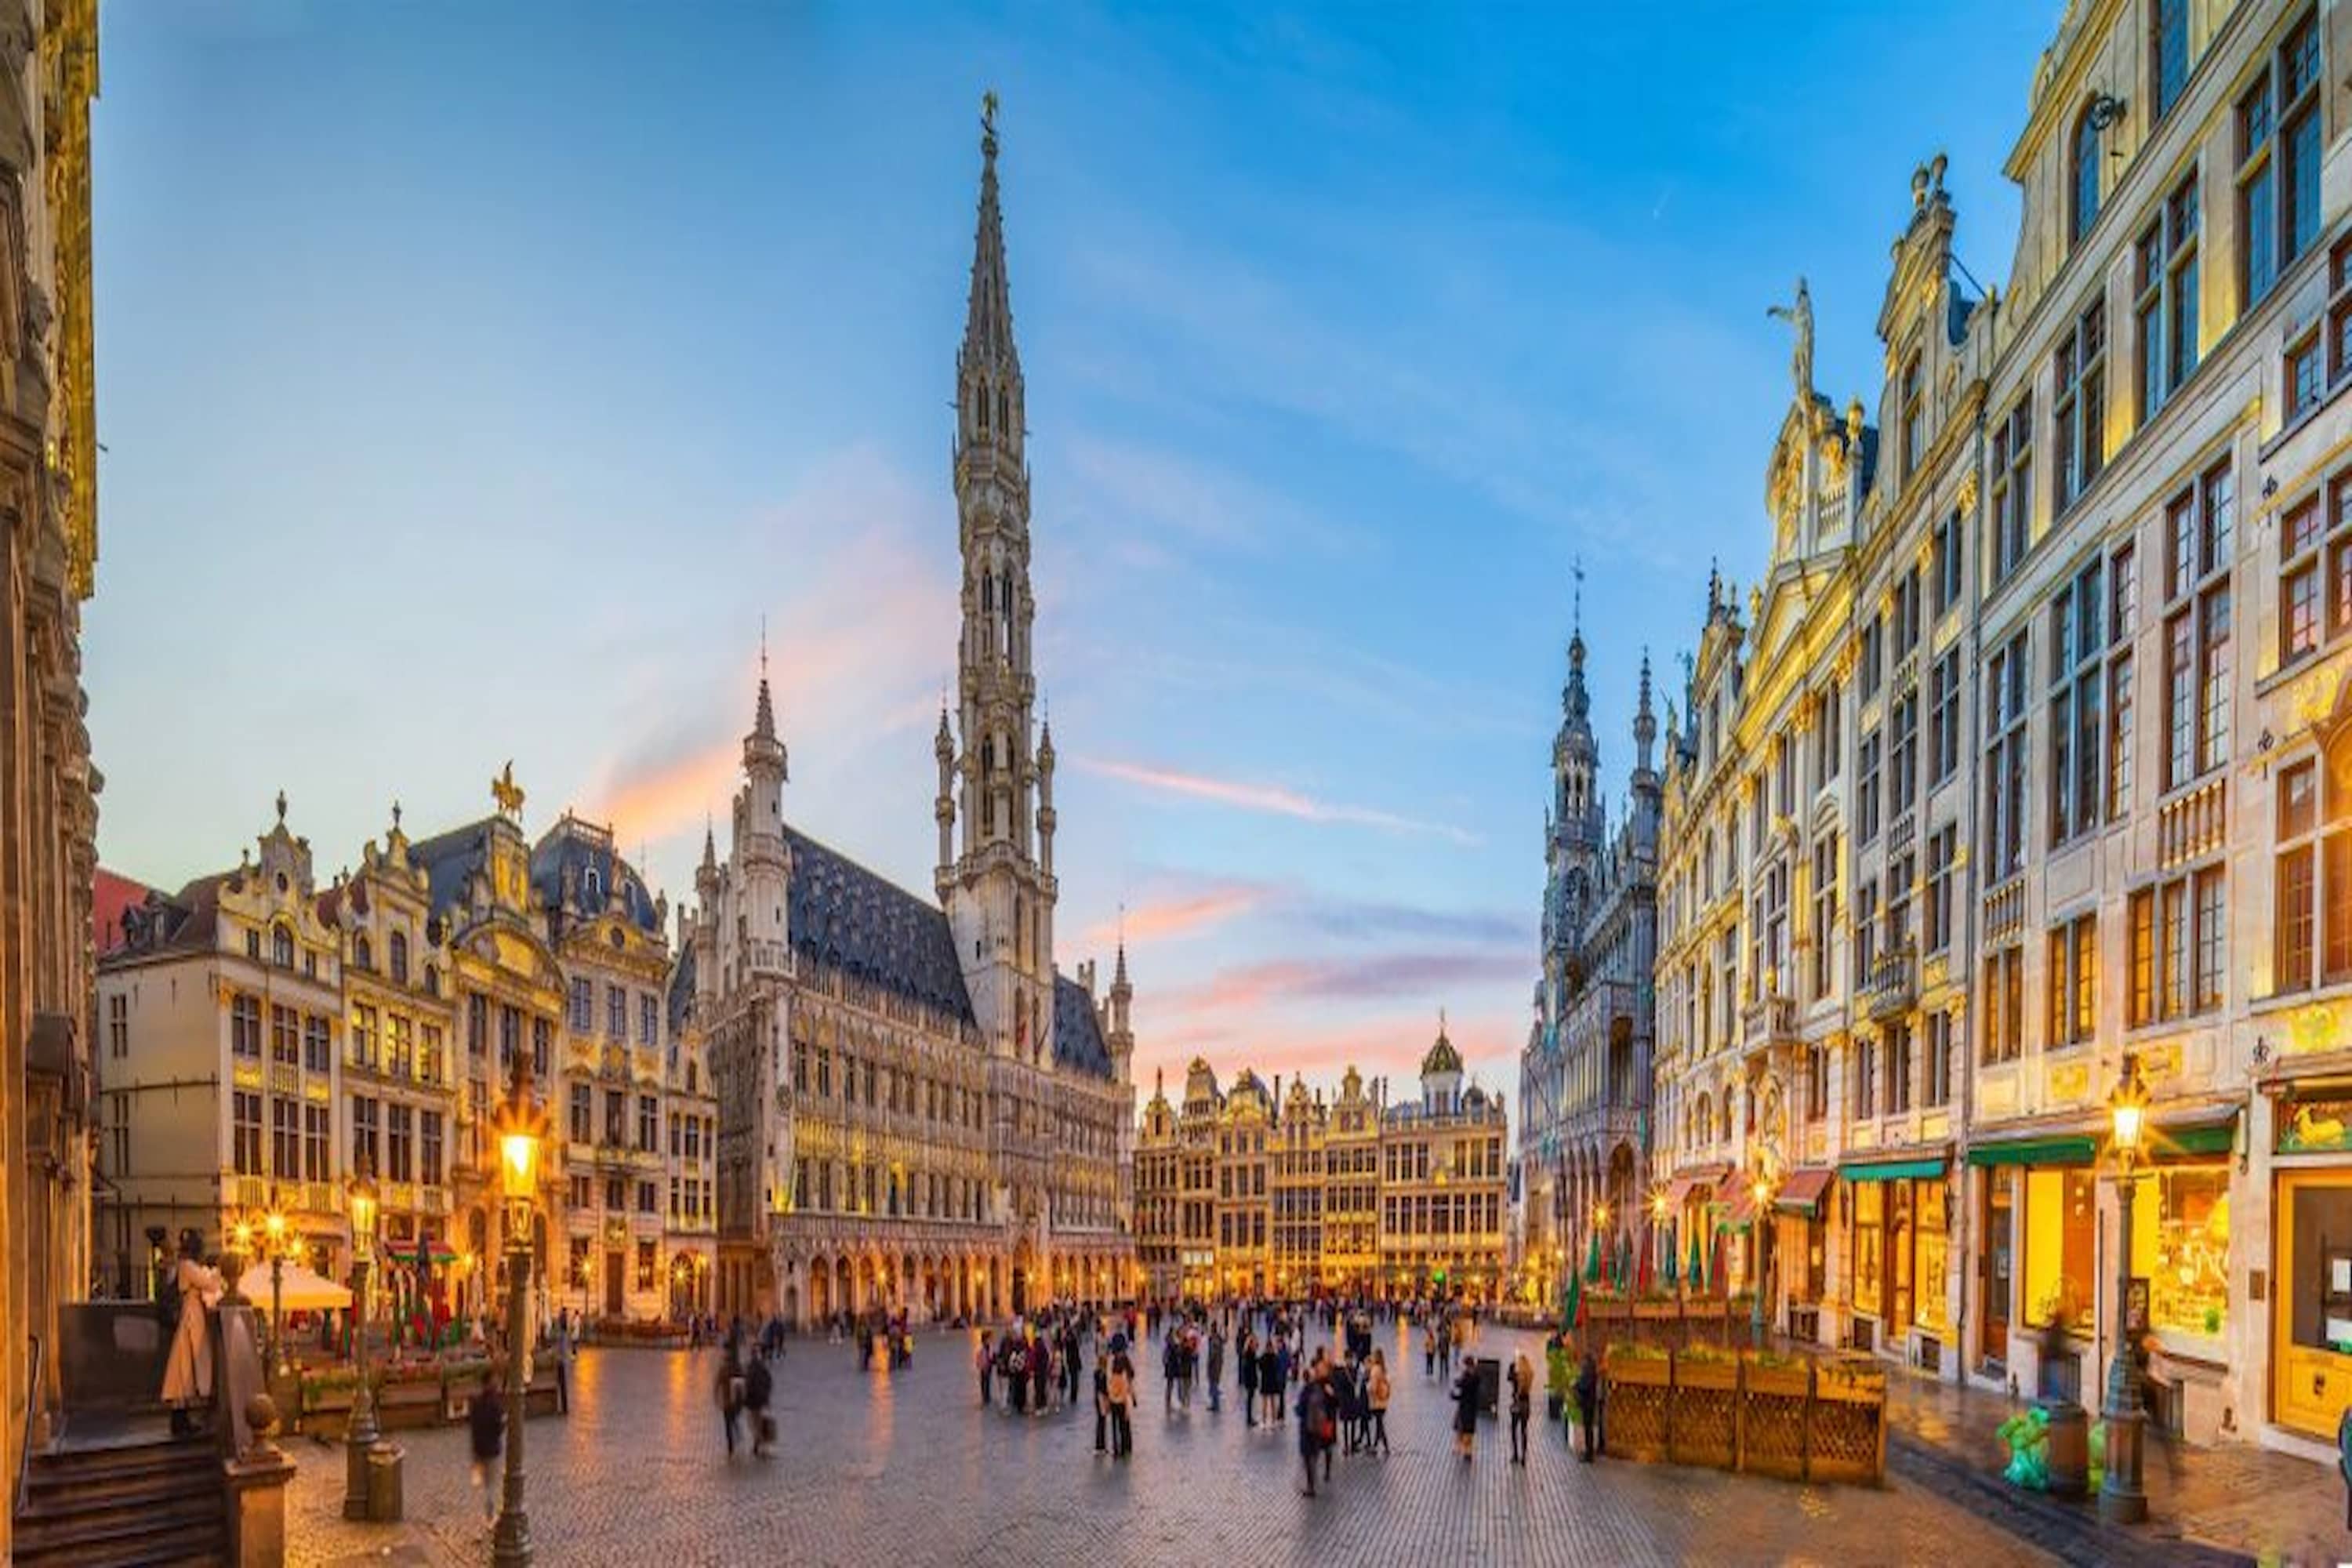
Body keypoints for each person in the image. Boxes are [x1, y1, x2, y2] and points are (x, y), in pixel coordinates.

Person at [159, 1230, 223, 1436]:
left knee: (185, 1369)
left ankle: (182, 1419)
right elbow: (211, 1285)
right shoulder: (188, 1266)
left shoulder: (186, 1266)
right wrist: (216, 1273)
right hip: (191, 1318)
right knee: (184, 1368)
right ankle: (179, 1421)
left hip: (193, 1316)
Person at [469, 1363, 506, 1523]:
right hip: (491, 1449)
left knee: (482, 1480)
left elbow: (473, 1425)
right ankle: (490, 1515)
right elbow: (499, 1426)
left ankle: (483, 1505)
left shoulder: (476, 1402)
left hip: (478, 1449)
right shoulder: (495, 1404)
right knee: (491, 1484)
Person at [1295, 1354, 1331, 1497]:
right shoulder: (1322, 1388)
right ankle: (1313, 1480)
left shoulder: (1307, 1390)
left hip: (1307, 1426)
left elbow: (1300, 1409)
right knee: (1314, 1454)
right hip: (1318, 1426)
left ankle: (1311, 1485)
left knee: (1307, 1455)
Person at [714, 1345, 746, 1457]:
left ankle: (731, 1445)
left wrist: (716, 1396)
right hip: (734, 1400)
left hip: (730, 1401)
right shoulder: (737, 1367)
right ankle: (732, 1442)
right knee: (730, 1421)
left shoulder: (725, 1369)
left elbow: (717, 1383)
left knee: (729, 1422)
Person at [1106, 1346, 1136, 1459]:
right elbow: (1130, 1385)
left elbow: (1109, 1385)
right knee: (1124, 1425)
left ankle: (1117, 1449)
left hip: (1115, 1400)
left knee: (1116, 1425)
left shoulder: (1113, 1367)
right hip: (1123, 1401)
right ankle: (1125, 1447)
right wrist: (1133, 1398)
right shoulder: (1126, 1370)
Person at [1573, 1349, 1602, 1463]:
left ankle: (1589, 1454)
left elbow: (1584, 1385)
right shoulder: (1592, 1370)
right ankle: (1589, 1452)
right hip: (1590, 1402)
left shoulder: (1588, 1371)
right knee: (1588, 1428)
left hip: (1587, 1403)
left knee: (1588, 1428)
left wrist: (1576, 1385)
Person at [746, 1350, 775, 1457]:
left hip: (753, 1401)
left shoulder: (749, 1369)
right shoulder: (763, 1369)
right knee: (758, 1421)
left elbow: (747, 1385)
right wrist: (767, 1395)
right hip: (762, 1400)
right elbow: (769, 1382)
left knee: (754, 1423)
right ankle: (759, 1442)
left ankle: (758, 1442)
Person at [1508, 1349, 1534, 1465]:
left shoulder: (1517, 1376)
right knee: (1524, 1430)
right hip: (1526, 1405)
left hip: (1517, 1405)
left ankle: (1515, 1455)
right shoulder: (1529, 1376)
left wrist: (1512, 1366)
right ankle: (1524, 1456)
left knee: (1514, 1430)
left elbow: (1508, 1377)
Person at [1452, 1358, 1479, 1461]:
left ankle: (1466, 1451)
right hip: (1469, 1407)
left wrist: (1458, 1385)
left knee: (1465, 1429)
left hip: (1467, 1407)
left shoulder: (1471, 1377)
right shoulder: (1473, 1376)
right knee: (1464, 1429)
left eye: (1465, 1366)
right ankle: (1465, 1449)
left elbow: (1465, 1388)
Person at [1367, 1349, 1392, 1456]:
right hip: (1383, 1400)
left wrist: (1368, 1389)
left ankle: (1384, 1445)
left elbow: (1372, 1386)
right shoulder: (1383, 1369)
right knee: (1379, 1423)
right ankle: (1376, 1445)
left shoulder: (1375, 1370)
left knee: (1380, 1424)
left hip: (1376, 1401)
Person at [1205, 1323, 1225, 1414]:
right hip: (1219, 1363)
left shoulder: (1214, 1340)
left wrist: (1209, 1363)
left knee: (1213, 1384)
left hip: (1214, 1365)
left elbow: (1213, 1354)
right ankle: (1215, 1404)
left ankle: (1215, 1405)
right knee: (1215, 1384)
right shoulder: (1218, 1339)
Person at [976, 1329, 994, 1406]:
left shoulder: (989, 1347)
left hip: (989, 1366)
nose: (991, 1340)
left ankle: (987, 1396)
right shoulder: (982, 1348)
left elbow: (991, 1356)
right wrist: (981, 1366)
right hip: (984, 1367)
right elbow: (980, 1359)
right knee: (984, 1382)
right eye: (990, 1338)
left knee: (988, 1381)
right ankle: (985, 1397)